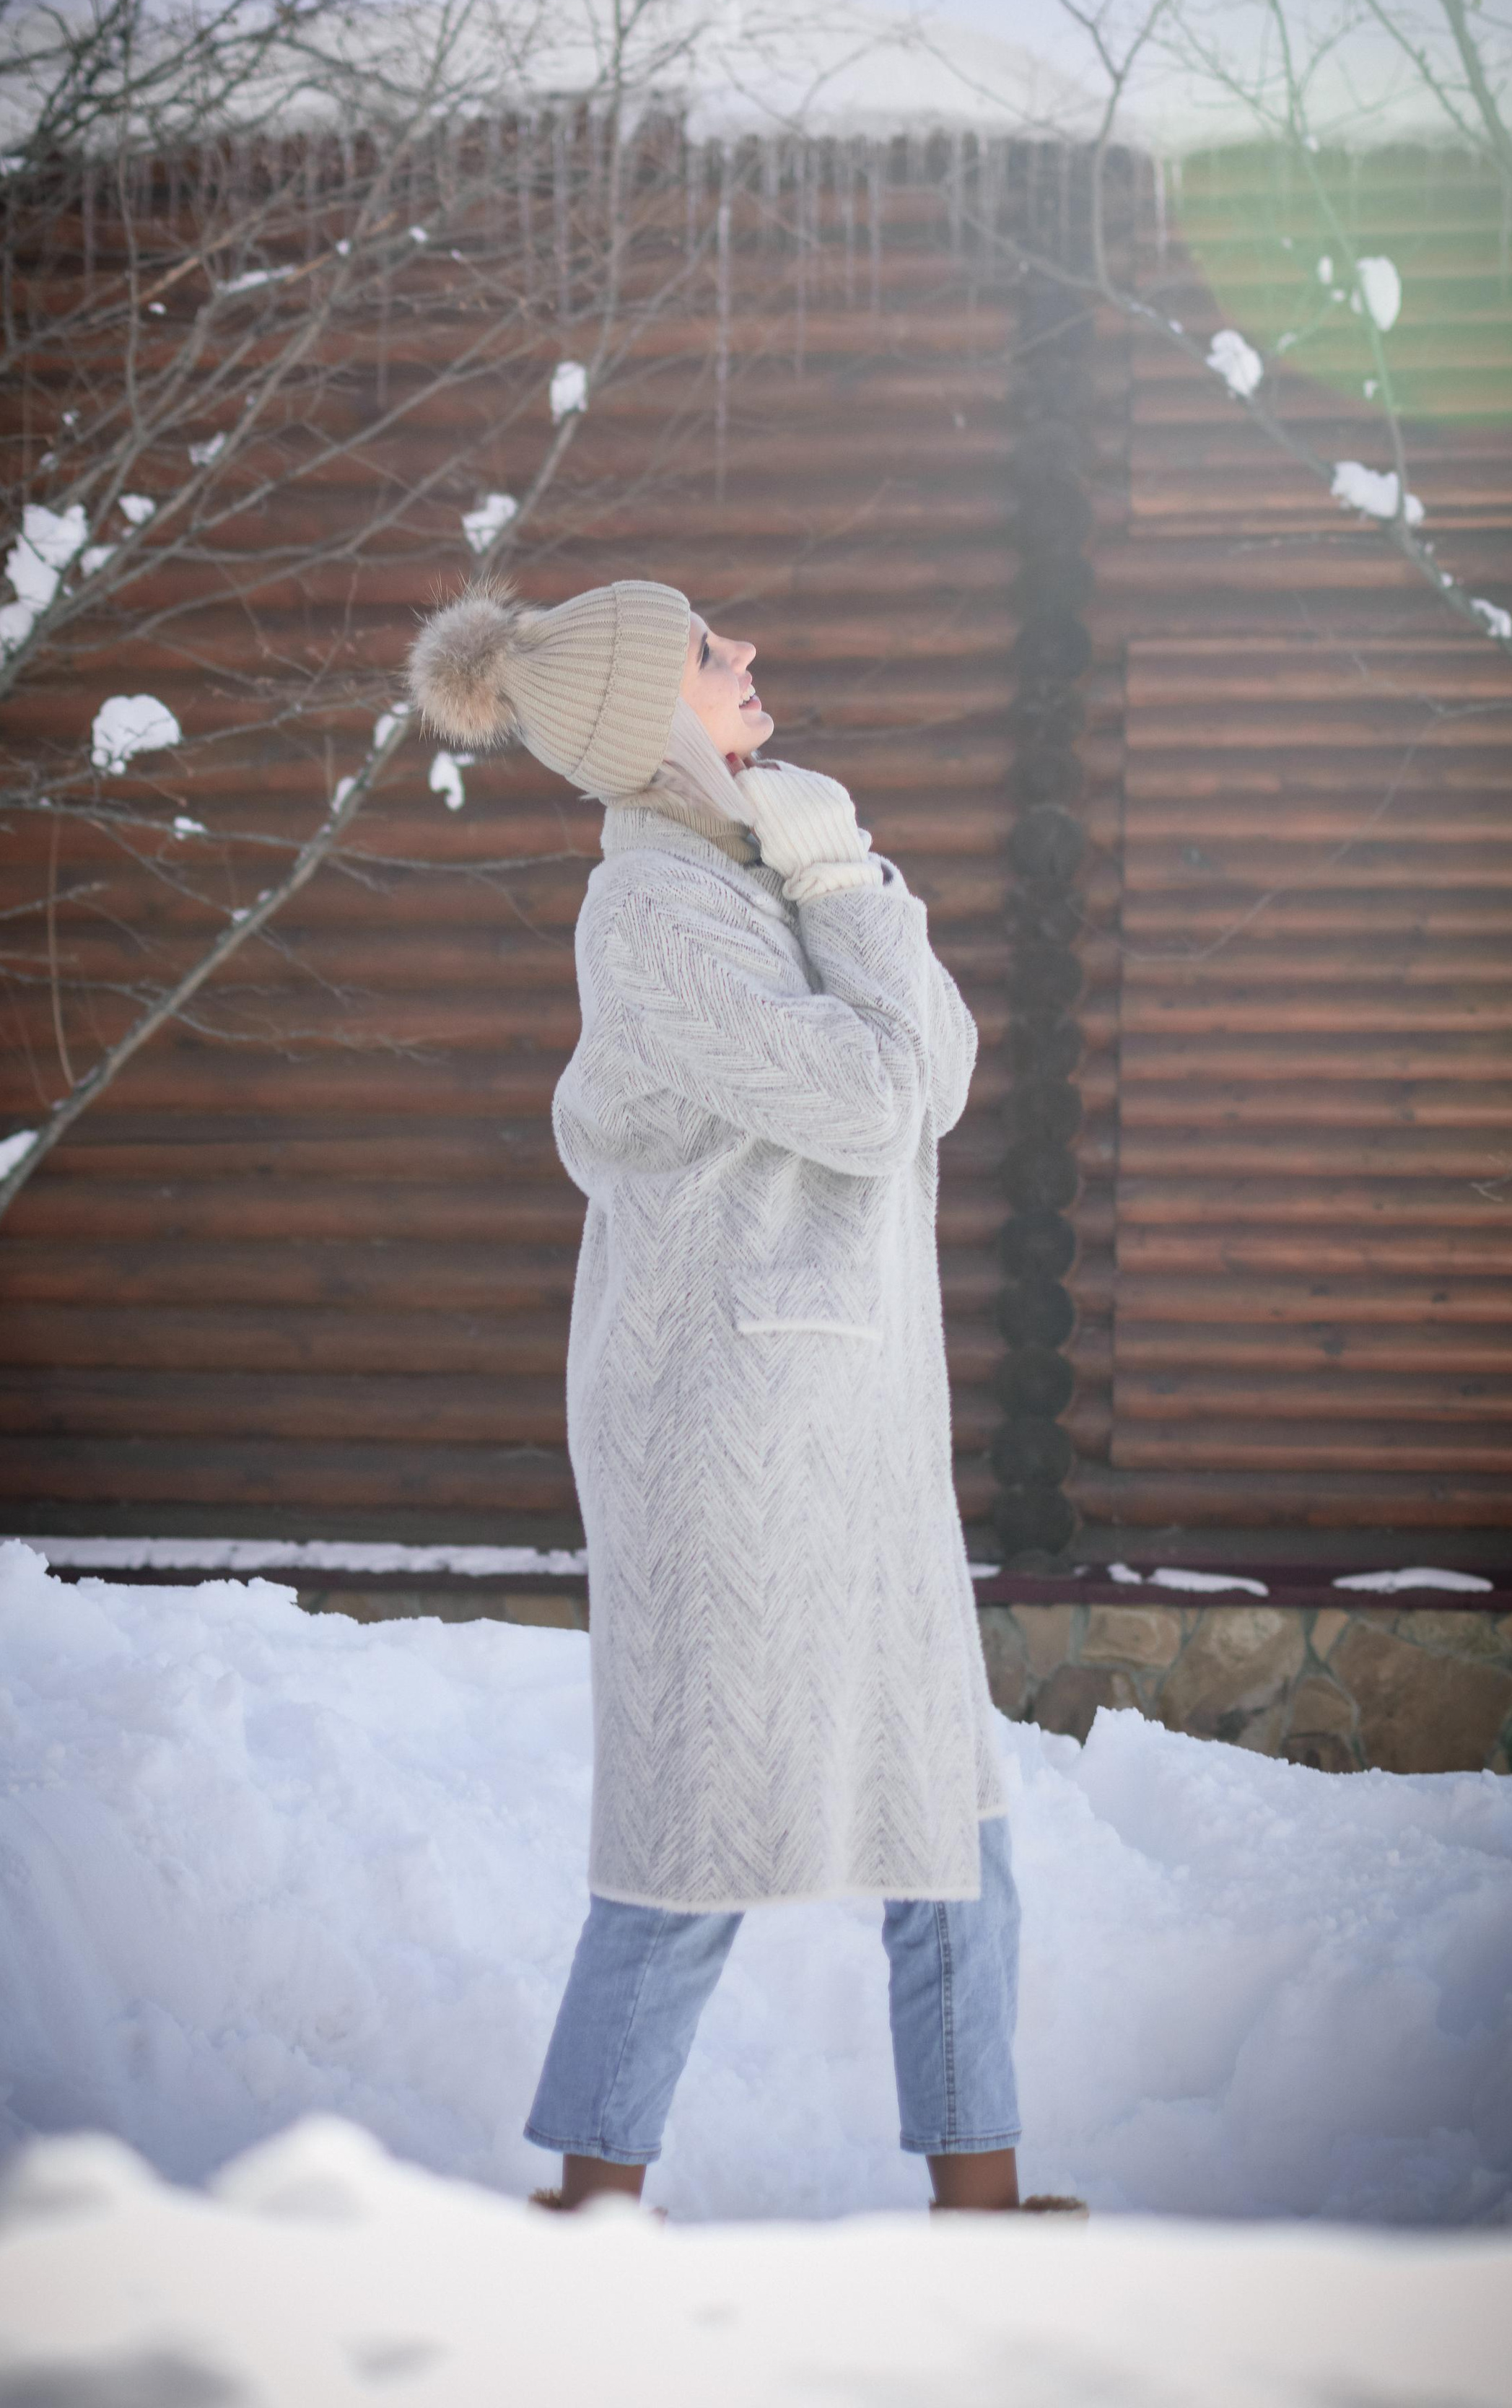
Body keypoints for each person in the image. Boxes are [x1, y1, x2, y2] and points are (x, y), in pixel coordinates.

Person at [407, 574, 1075, 2218]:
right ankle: (590, 2208)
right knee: (692, 1834)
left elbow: (945, 1066)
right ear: (652, 716)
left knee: (949, 1819)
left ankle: (978, 2206)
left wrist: (834, 868)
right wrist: (837, 873)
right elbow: (868, 1102)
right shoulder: (654, 915)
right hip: (721, 1429)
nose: (747, 656)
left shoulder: (757, 866)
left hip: (848, 1423)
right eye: (710, 653)